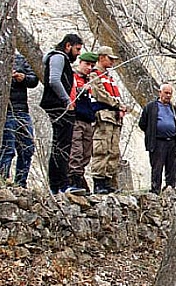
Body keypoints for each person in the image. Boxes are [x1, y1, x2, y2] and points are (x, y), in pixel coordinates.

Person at [40, 33, 83, 194]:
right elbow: (54, 80)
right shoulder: (59, 58)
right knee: (62, 146)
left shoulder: (59, 58)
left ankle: (57, 185)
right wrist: (67, 101)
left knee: (60, 145)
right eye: (77, 49)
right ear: (68, 46)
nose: (78, 53)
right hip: (58, 107)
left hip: (59, 105)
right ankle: (61, 185)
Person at [0, 52, 39, 188]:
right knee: (7, 149)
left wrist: (23, 78)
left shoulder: (20, 59)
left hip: (22, 111)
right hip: (4, 111)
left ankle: (20, 183)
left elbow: (34, 80)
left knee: (28, 148)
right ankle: (2, 182)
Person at [89, 46, 127, 194]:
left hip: (115, 117)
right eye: (110, 58)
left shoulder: (109, 77)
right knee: (101, 148)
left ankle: (109, 180)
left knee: (113, 150)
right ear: (102, 57)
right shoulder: (95, 75)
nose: (112, 61)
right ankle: (99, 181)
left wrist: (120, 108)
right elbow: (100, 94)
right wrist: (116, 104)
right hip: (103, 116)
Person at [138, 83, 176, 194]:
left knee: (171, 166)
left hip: (172, 141)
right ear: (160, 92)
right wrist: (152, 133)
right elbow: (142, 123)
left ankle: (170, 188)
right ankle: (155, 189)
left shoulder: (173, 108)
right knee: (157, 166)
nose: (168, 95)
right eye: (166, 93)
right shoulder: (151, 107)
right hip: (158, 141)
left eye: (170, 93)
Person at [67, 51, 98, 194]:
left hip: (88, 120)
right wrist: (81, 90)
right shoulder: (72, 77)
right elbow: (71, 95)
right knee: (76, 150)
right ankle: (74, 179)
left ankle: (80, 176)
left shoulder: (90, 80)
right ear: (80, 62)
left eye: (92, 65)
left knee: (86, 153)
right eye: (87, 64)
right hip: (76, 119)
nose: (89, 68)